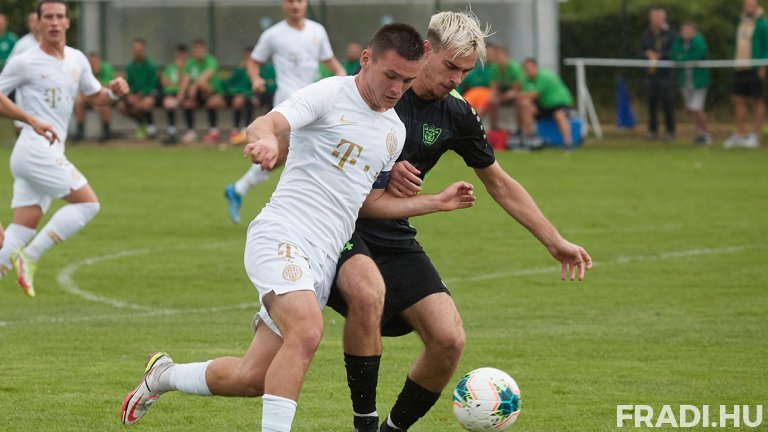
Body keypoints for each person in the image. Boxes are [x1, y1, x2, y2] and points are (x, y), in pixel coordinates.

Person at [120, 24, 474, 432]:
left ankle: (163, 376)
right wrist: (268, 141)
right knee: (307, 330)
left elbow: (368, 203)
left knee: (252, 378)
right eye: (390, 75)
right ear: (366, 60)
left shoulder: (393, 132)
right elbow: (265, 123)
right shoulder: (329, 93)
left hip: (324, 259)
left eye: (406, 81)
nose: (397, 88)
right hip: (282, 234)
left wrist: (436, 202)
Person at [325, 12, 592, 432]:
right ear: (426, 50)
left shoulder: (457, 113)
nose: (456, 79)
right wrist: (381, 168)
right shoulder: (381, 88)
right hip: (340, 223)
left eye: (465, 72)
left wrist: (553, 240)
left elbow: (499, 183)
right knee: (366, 292)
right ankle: (365, 424)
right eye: (451, 66)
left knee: (448, 340)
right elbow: (330, 146)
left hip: (394, 230)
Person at [0, 0, 129, 298]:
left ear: (68, 22)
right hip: (35, 148)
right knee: (88, 205)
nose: (55, 22)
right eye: (48, 17)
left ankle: (16, 256)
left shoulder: (76, 58)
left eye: (60, 16)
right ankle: (30, 257)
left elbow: (95, 96)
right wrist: (30, 119)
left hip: (48, 151)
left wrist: (113, 93)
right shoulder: (25, 61)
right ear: (38, 23)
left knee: (20, 230)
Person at [224, 0, 346, 224]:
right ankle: (308, 214)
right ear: (283, 5)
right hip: (288, 103)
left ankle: (238, 190)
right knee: (314, 153)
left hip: (313, 103)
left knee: (282, 155)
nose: (295, 5)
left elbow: (331, 62)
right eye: (290, 1)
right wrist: (256, 79)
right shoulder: (273, 34)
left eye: (299, 1)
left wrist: (341, 76)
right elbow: (253, 62)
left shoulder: (317, 31)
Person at [725, 0, 768, 149]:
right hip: (740, 67)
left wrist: (762, 66)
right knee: (737, 99)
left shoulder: (762, 24)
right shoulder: (740, 22)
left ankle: (755, 135)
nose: (748, 8)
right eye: (746, 5)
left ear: (756, 7)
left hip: (754, 68)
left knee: (757, 101)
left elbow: (766, 45)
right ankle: (739, 133)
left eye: (751, 6)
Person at [516, 58, 575, 148]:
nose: (527, 70)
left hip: (559, 103)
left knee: (559, 115)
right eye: (525, 68)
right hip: (544, 106)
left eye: (529, 68)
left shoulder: (544, 76)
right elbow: (526, 96)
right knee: (525, 106)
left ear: (535, 67)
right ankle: (527, 139)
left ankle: (568, 143)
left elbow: (534, 95)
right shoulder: (526, 80)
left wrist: (514, 94)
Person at [179, 39, 226, 144]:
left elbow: (206, 76)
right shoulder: (189, 63)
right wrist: (180, 95)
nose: (198, 51)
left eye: (200, 49)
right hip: (196, 95)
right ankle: (191, 132)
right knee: (187, 103)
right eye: (196, 49)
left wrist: (194, 86)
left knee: (206, 91)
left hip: (212, 93)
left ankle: (214, 130)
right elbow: (185, 80)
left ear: (204, 50)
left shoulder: (211, 60)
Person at [671, 21, 711, 145]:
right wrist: (684, 59)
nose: (686, 32)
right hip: (685, 81)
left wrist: (683, 58)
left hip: (698, 81)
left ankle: (706, 133)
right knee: (691, 109)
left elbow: (698, 54)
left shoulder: (699, 41)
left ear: (694, 31)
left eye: (688, 30)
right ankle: (698, 133)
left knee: (697, 108)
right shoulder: (679, 42)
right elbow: (673, 55)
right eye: (684, 30)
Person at [640, 7, 676, 140]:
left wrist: (661, 55)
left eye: (658, 18)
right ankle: (653, 131)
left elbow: (674, 52)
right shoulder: (646, 34)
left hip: (666, 74)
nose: (656, 20)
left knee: (667, 103)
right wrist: (647, 54)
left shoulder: (671, 34)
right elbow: (640, 51)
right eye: (654, 17)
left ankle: (670, 131)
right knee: (651, 103)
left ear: (664, 19)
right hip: (651, 74)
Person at [116, 38, 158, 140]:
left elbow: (153, 84)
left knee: (146, 104)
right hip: (134, 95)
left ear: (144, 49)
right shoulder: (130, 66)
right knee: (121, 106)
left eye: (140, 49)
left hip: (148, 94)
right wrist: (130, 95)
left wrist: (141, 94)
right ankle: (141, 123)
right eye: (136, 49)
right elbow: (129, 83)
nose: (138, 51)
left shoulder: (151, 65)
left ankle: (151, 129)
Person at [74, 52, 115, 142]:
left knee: (105, 105)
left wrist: (96, 102)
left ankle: (107, 132)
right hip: (90, 98)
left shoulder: (106, 68)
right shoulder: (86, 70)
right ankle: (80, 132)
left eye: (94, 63)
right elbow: (82, 89)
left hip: (102, 97)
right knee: (79, 103)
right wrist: (92, 102)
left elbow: (106, 88)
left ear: (98, 61)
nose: (92, 66)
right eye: (91, 64)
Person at [488, 45, 524, 132]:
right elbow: (494, 87)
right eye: (497, 56)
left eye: (501, 55)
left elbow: (516, 89)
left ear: (506, 56)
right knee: (492, 101)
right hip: (503, 92)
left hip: (517, 92)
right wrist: (492, 98)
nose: (499, 58)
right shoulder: (494, 68)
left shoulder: (514, 68)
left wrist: (500, 98)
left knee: (518, 101)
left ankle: (520, 128)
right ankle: (494, 128)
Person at [226, 47, 255, 145]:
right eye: (247, 55)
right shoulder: (239, 70)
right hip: (237, 94)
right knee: (237, 101)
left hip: (252, 95)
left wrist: (246, 94)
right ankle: (235, 129)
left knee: (249, 102)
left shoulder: (259, 69)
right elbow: (231, 84)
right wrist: (238, 94)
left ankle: (245, 130)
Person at [159, 44, 187, 145]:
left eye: (182, 54)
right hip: (169, 94)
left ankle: (189, 131)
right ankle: (172, 132)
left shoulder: (187, 67)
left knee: (186, 103)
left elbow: (184, 82)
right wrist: (175, 85)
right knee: (169, 102)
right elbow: (164, 82)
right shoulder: (170, 67)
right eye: (179, 54)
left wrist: (180, 70)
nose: (180, 56)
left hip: (183, 94)